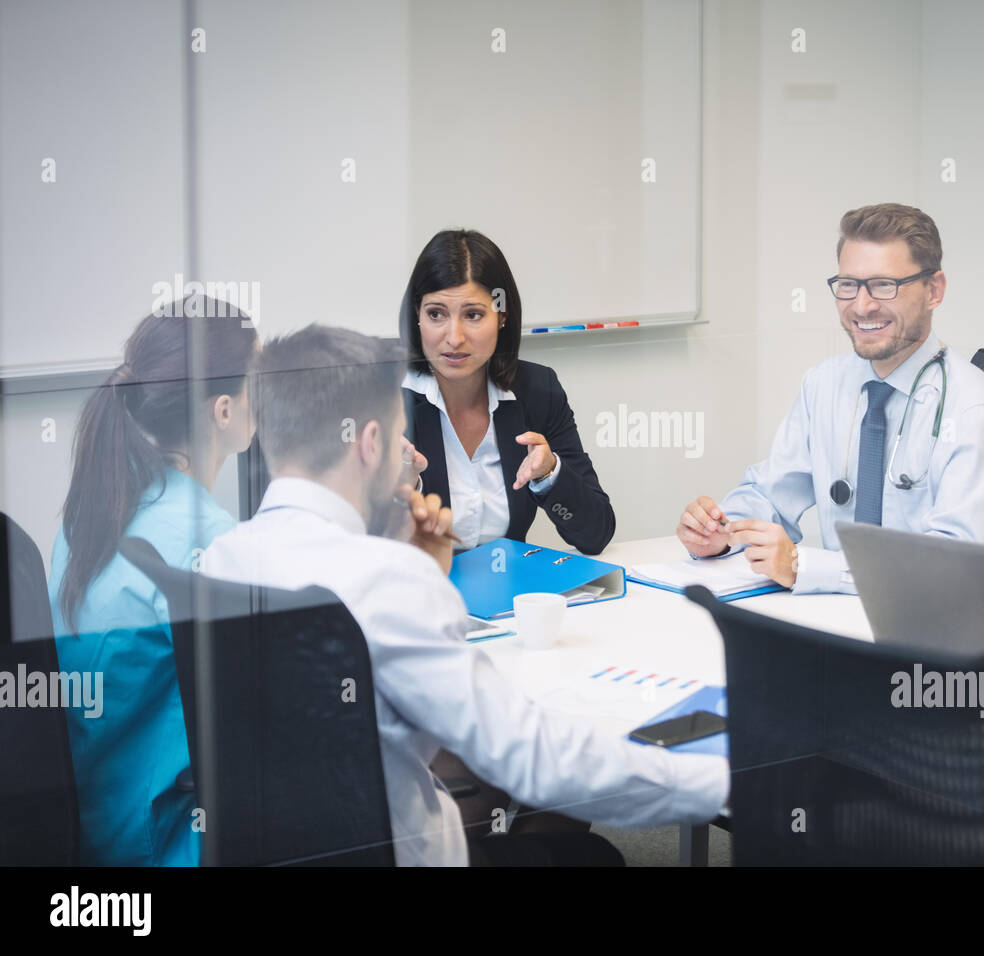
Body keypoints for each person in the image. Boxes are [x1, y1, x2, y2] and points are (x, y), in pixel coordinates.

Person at [200, 325, 727, 866]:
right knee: (592, 857)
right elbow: (532, 757)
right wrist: (722, 781)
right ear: (371, 443)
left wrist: (414, 560)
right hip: (413, 854)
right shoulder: (387, 581)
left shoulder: (221, 558)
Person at [676, 203, 984, 593]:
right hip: (838, 620)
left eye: (883, 285)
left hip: (943, 636)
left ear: (934, 290)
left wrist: (804, 567)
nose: (862, 306)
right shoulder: (824, 385)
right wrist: (721, 531)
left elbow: (950, 568)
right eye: (848, 285)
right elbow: (770, 493)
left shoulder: (974, 411)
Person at [49, 298, 259, 866]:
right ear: (223, 411)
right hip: (170, 844)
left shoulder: (87, 516)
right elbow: (257, 723)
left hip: (100, 830)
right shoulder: (210, 543)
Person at [399, 229, 614, 555]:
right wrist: (404, 487)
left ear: (502, 316)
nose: (454, 337)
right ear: (417, 315)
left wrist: (550, 474)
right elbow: (351, 553)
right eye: (436, 314)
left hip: (508, 596)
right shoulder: (382, 401)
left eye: (473, 315)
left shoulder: (538, 391)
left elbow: (595, 534)